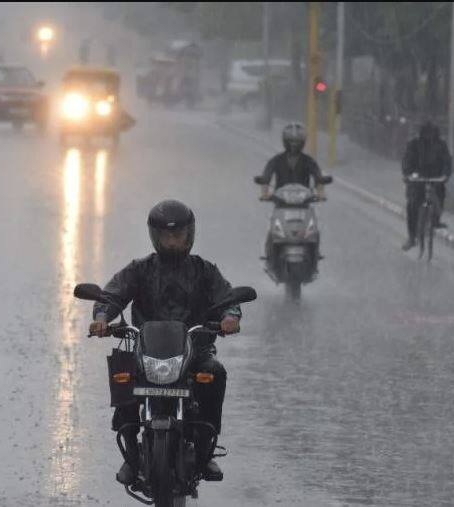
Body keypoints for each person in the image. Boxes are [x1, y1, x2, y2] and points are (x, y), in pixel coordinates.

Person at [88, 200, 241, 485]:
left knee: (214, 373)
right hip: (147, 352)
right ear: (155, 237)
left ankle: (206, 449)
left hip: (194, 351)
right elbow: (112, 295)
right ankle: (131, 453)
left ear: (189, 235)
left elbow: (227, 298)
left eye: (178, 235)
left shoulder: (204, 270)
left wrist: (230, 317)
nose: (172, 241)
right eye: (166, 236)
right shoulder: (140, 269)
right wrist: (101, 317)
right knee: (122, 373)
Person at [256, 123, 327, 264]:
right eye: (291, 141)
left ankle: (315, 252)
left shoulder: (308, 161)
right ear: (285, 141)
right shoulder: (276, 160)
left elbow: (318, 177)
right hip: (281, 204)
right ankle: (270, 253)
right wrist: (265, 193)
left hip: (304, 205)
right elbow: (266, 176)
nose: (294, 145)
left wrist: (320, 193)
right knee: (272, 228)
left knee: (314, 228)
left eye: (297, 141)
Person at [401, 120, 452, 251]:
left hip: (436, 180)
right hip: (417, 181)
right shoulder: (414, 144)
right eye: (427, 134)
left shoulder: (441, 145)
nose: (429, 136)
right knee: (412, 204)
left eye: (432, 134)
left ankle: (436, 219)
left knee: (439, 196)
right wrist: (409, 175)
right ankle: (412, 236)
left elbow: (447, 162)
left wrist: (445, 175)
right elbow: (407, 162)